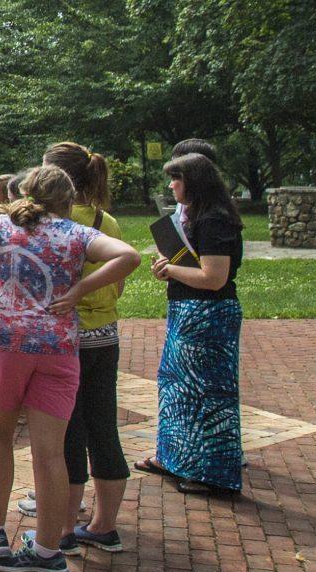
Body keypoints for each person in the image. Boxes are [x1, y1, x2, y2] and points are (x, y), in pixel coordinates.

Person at [0, 165, 140, 572]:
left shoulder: (1, 226)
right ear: (68, 200)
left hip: (5, 344)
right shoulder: (78, 235)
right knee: (50, 452)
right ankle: (48, 549)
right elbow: (129, 256)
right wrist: (79, 291)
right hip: (58, 348)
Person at [18, 143, 130, 554]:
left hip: (64, 340)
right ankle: (104, 525)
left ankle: (63, 527)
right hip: (105, 335)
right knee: (103, 428)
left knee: (66, 436)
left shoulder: (45, 224)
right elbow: (117, 281)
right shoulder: (107, 221)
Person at [136, 153, 247, 495]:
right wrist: (168, 266)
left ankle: (215, 475)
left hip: (208, 316)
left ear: (194, 182)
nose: (171, 186)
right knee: (176, 388)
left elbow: (213, 278)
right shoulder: (197, 216)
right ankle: (174, 458)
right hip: (186, 312)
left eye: (176, 179)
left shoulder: (214, 220)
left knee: (209, 396)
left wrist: (169, 270)